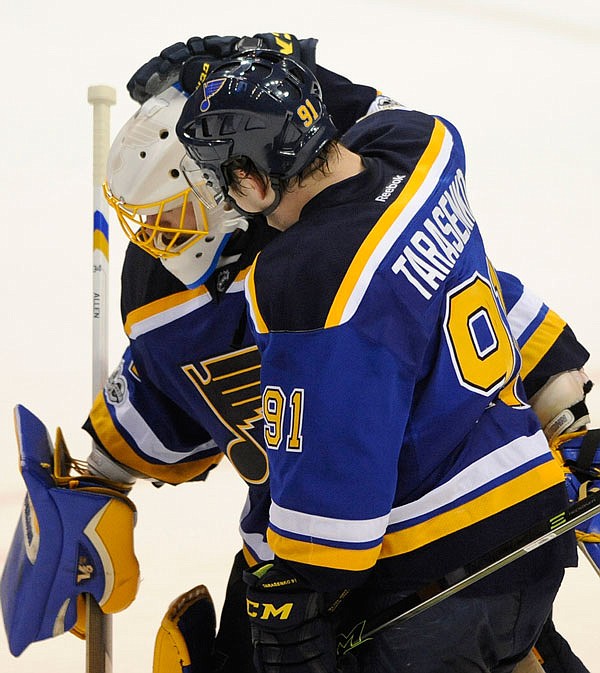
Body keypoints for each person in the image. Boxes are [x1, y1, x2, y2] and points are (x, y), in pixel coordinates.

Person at [85, 37, 591, 673]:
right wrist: (266, 62)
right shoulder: (422, 149)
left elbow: (333, 466)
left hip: (413, 566)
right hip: (527, 519)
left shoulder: (301, 281)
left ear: (244, 181)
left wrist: (294, 593)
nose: (166, 239)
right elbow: (355, 109)